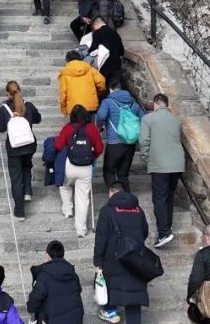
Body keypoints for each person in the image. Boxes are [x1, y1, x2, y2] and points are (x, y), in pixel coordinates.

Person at [93, 184, 150, 324]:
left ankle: (111, 312)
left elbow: (101, 239)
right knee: (134, 293)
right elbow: (145, 231)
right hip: (135, 258)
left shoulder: (107, 211)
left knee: (111, 287)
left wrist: (98, 262)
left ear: (111, 193)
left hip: (113, 258)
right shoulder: (138, 209)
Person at [139, 93, 184, 248]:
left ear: (155, 104)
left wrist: (146, 158)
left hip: (159, 164)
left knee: (159, 198)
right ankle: (168, 226)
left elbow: (144, 141)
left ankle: (164, 232)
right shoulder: (176, 120)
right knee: (169, 195)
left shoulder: (148, 119)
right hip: (178, 164)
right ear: (166, 104)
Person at [54, 105, 103, 237]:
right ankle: (81, 230)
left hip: (70, 165)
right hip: (86, 167)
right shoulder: (93, 129)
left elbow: (58, 145)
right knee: (82, 198)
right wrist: (92, 157)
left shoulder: (68, 128)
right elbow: (99, 148)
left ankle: (68, 209)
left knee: (64, 185)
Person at [0, 80, 41, 220]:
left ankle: (19, 211)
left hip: (14, 147)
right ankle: (27, 190)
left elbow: (0, 128)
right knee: (26, 166)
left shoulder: (4, 109)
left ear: (8, 94)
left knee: (15, 178)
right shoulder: (29, 105)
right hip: (29, 145)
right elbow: (38, 119)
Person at [96, 87, 144, 192]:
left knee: (109, 172)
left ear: (111, 89)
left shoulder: (107, 102)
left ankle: (115, 197)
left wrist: (99, 125)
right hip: (130, 143)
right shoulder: (134, 104)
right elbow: (143, 118)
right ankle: (126, 198)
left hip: (114, 143)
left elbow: (101, 116)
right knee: (123, 174)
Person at [26, 241, 84, 324]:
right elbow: (79, 290)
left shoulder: (44, 275)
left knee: (39, 306)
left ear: (47, 255)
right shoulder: (72, 273)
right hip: (76, 319)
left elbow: (34, 301)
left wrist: (31, 311)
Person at [58, 50, 106, 116]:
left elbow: (63, 93)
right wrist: (98, 93)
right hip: (90, 104)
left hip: (74, 107)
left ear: (67, 60)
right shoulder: (89, 69)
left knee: (76, 126)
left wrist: (64, 109)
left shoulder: (65, 74)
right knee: (89, 125)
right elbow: (101, 81)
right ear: (80, 58)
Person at [88, 16, 124, 89]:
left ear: (96, 24)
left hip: (104, 66)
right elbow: (122, 51)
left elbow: (93, 49)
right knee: (114, 89)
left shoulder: (98, 33)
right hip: (116, 65)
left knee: (102, 88)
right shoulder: (115, 33)